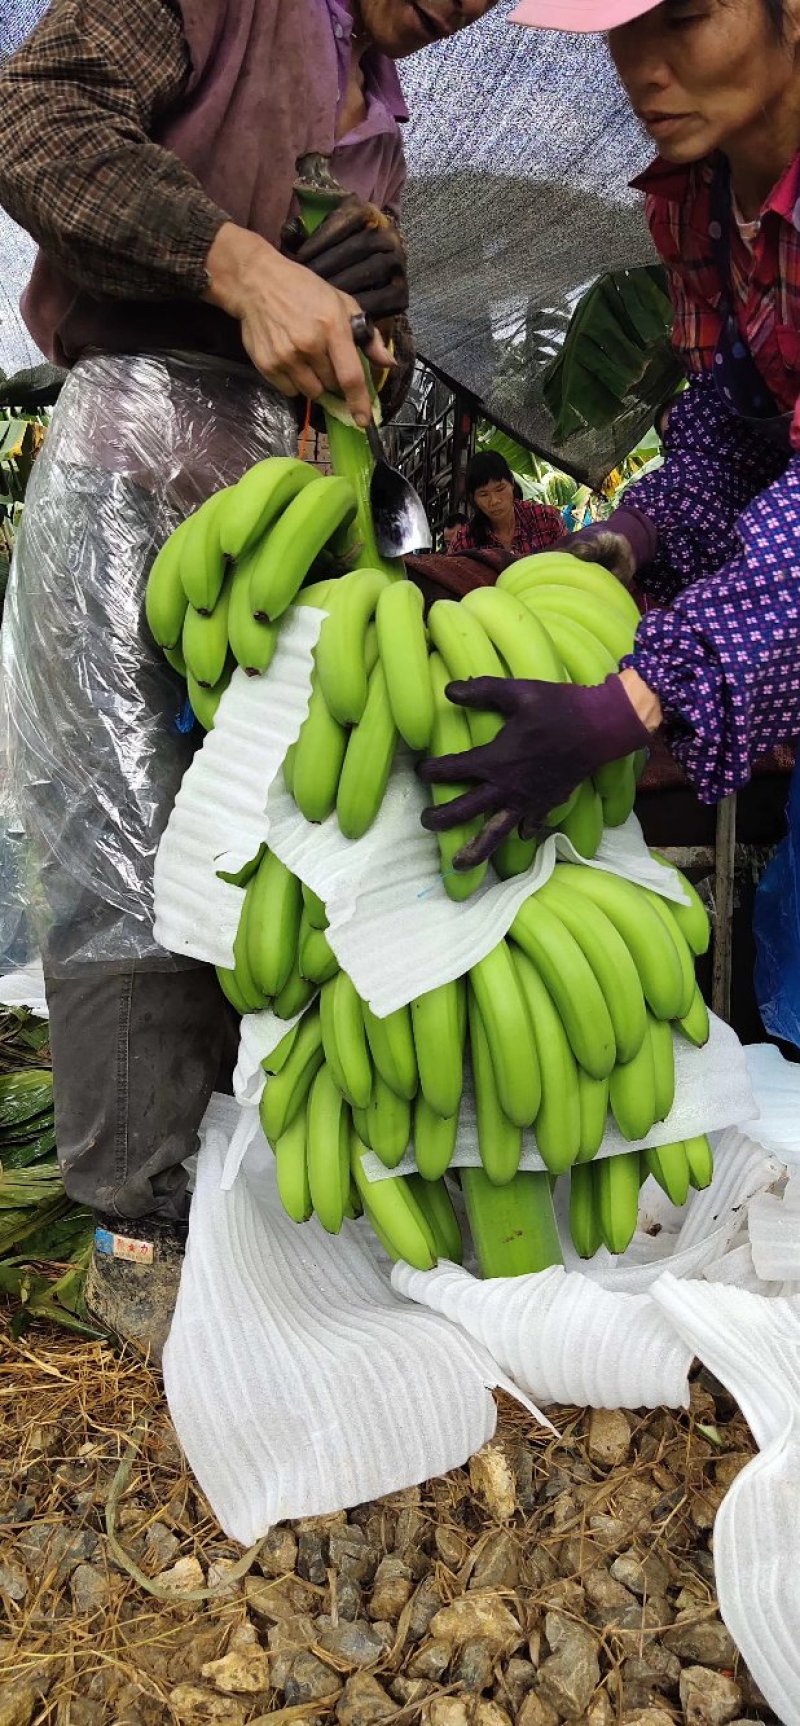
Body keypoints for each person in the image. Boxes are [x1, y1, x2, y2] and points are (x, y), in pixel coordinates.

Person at [0, 0, 497, 1363]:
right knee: (122, 841)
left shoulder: (380, 90)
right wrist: (234, 262)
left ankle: (277, 1173)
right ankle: (135, 1232)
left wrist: (363, 290)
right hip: (137, 457)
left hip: (287, 476)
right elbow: (33, 114)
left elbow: (347, 304)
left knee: (292, 837)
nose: (462, 8)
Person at [422, 0, 800, 882]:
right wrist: (645, 527)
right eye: (621, 27)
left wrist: (632, 703)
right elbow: (734, 430)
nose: (640, 67)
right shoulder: (707, 203)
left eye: (687, 17)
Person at [446, 450, 568, 555]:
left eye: (500, 489)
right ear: (473, 499)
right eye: (483, 494)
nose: (494, 501)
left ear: (512, 483)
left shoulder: (547, 519)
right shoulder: (464, 542)